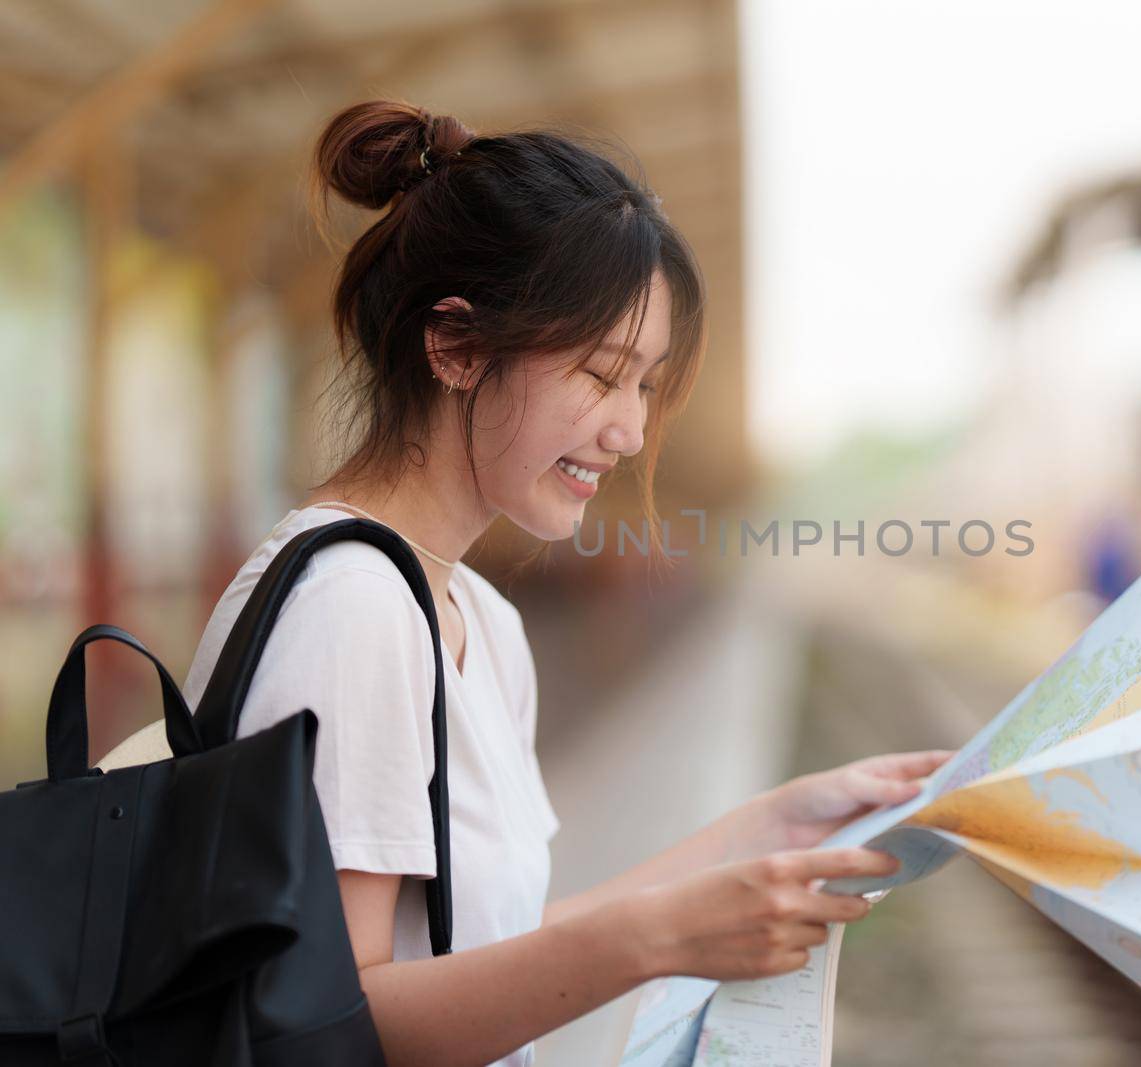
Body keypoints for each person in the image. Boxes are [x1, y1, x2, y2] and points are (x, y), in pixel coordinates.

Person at [179, 99, 950, 1067]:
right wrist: (656, 940)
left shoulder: (481, 621)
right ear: (455, 345)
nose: (628, 430)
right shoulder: (351, 608)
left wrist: (773, 825)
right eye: (599, 373)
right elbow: (331, 1019)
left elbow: (491, 941)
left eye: (644, 383)